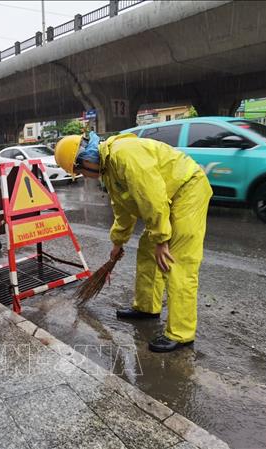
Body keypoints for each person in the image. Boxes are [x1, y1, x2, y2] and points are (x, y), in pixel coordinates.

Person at [54, 131, 212, 353]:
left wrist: (162, 240)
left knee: (176, 262)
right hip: (167, 198)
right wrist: (118, 242)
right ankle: (147, 308)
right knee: (147, 252)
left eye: (79, 171)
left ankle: (181, 334)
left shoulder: (124, 155)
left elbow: (152, 198)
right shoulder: (109, 170)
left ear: (85, 159)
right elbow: (123, 210)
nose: (83, 177)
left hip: (187, 189)